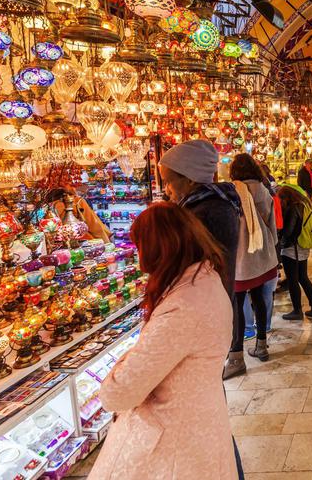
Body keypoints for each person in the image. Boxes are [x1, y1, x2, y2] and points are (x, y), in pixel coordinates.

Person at [88, 202, 237, 480]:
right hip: (197, 427)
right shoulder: (205, 279)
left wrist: (123, 362)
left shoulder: (181, 307)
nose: (138, 254)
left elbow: (118, 393)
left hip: (174, 447)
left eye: (140, 245)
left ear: (159, 247)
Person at [158, 139, 241, 296]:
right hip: (211, 304)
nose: (167, 190)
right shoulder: (209, 205)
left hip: (209, 306)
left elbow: (186, 265)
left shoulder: (208, 213)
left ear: (190, 179)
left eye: (169, 182)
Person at [223, 154, 279, 379]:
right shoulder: (263, 191)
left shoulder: (231, 191)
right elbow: (270, 221)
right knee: (259, 300)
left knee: (237, 306)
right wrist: (272, 247)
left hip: (239, 258)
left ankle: (236, 357)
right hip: (261, 255)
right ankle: (262, 345)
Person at [278, 186, 312, 320]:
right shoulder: (304, 204)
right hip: (302, 247)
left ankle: (297, 311)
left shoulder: (293, 208)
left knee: (292, 280)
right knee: (303, 278)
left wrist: (281, 240)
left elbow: (289, 232)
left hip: (292, 250)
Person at [47, 185, 112, 243]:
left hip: (59, 245)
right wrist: (107, 243)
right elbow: (94, 226)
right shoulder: (77, 201)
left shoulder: (47, 207)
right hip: (83, 242)